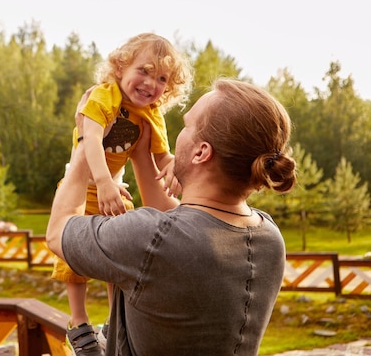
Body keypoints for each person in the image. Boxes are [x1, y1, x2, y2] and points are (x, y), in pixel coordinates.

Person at [47, 78, 297, 356]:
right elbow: (180, 222)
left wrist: (85, 140)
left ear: (202, 152)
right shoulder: (270, 238)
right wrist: (142, 154)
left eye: (187, 126)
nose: (179, 134)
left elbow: (58, 231)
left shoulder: (149, 237)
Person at [51, 33, 193, 356]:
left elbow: (162, 155)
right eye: (143, 70)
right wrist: (102, 181)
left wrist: (175, 169)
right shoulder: (104, 96)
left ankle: (116, 319)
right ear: (120, 66)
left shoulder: (151, 113)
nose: (150, 83)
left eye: (161, 78)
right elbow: (89, 138)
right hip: (85, 186)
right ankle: (79, 322)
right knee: (73, 257)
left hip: (115, 189)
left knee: (116, 253)